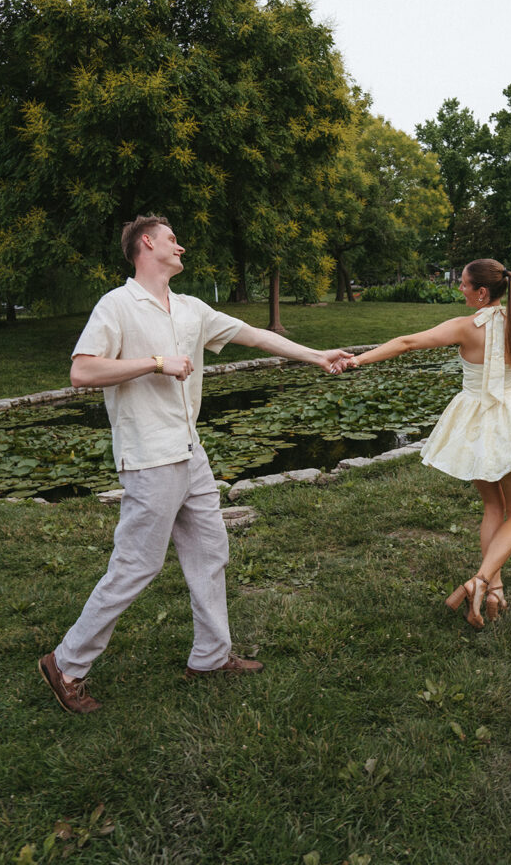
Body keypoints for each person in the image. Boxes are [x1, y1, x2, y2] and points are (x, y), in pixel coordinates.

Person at [39, 215, 352, 714]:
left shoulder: (190, 309)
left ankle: (210, 656)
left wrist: (317, 356)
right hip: (148, 457)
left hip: (190, 452)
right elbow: (82, 370)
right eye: (171, 238)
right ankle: (67, 662)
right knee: (137, 564)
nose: (180, 245)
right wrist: (155, 362)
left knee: (210, 551)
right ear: (147, 243)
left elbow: (256, 336)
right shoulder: (117, 305)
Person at [342, 258, 511, 630]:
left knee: (492, 506)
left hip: (474, 424)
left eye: (465, 284)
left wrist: (358, 360)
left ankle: (492, 587)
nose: (460, 289)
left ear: (482, 292)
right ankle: (484, 581)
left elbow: (407, 343)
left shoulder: (463, 328)